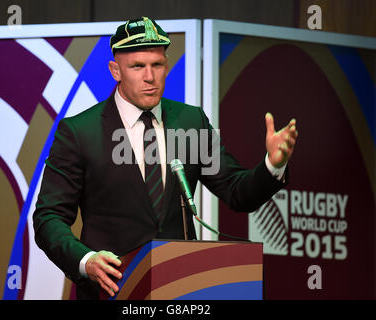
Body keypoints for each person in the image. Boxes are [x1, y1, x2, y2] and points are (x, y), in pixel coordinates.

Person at [33, 17, 298, 300]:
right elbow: (49, 217)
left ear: (166, 66)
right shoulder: (80, 131)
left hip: (183, 290)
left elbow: (236, 191)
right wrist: (86, 261)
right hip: (112, 291)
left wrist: (273, 164)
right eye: (138, 66)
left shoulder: (190, 121)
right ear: (115, 70)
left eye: (157, 65)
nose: (150, 76)